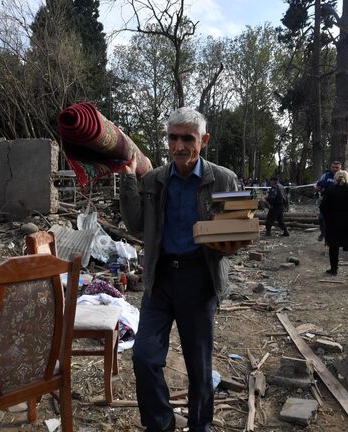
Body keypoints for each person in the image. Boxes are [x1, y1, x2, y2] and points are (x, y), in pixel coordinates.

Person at [119, 107, 249, 432]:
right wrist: (126, 177)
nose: (179, 146)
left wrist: (229, 243)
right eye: (172, 138)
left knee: (198, 369)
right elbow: (135, 225)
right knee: (144, 358)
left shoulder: (223, 178)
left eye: (187, 138)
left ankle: (199, 427)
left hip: (199, 280)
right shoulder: (154, 180)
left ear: (203, 140)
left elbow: (240, 230)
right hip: (159, 279)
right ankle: (160, 425)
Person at [314, 161, 342, 241]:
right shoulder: (326, 175)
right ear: (331, 167)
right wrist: (317, 188)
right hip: (325, 201)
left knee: (337, 219)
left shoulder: (343, 175)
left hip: (338, 202)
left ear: (340, 168)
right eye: (333, 167)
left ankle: (337, 235)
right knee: (321, 218)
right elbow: (318, 185)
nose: (335, 169)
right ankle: (323, 233)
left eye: (337, 167)